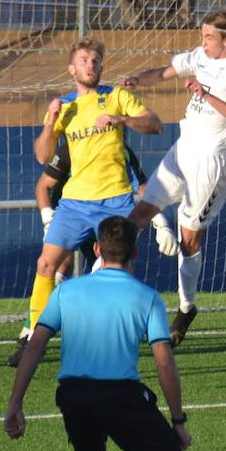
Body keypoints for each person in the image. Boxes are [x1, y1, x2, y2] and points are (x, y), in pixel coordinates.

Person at [21, 37, 163, 362]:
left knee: (117, 272)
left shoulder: (116, 96)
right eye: (84, 60)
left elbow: (155, 124)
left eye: (96, 60)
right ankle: (34, 335)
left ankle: (118, 336)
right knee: (46, 264)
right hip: (74, 203)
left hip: (115, 199)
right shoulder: (65, 107)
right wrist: (50, 122)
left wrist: (123, 120)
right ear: (72, 68)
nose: (91, 65)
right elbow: (44, 156)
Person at [124, 11, 226, 347]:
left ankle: (185, 308)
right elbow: (165, 71)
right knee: (137, 216)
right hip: (183, 149)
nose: (203, 43)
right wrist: (138, 80)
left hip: (213, 159)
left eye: (209, 38)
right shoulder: (200, 56)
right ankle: (108, 293)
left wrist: (206, 94)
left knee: (189, 239)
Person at [4, 216, 192, 451]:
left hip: (73, 397)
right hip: (120, 396)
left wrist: (15, 404)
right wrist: (178, 421)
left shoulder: (65, 291)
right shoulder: (148, 298)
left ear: (96, 249)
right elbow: (164, 363)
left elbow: (34, 347)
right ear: (134, 252)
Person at [6, 132, 148, 367]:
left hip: (105, 221)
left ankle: (101, 340)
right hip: (72, 215)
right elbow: (43, 185)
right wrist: (48, 218)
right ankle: (32, 335)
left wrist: (159, 219)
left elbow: (143, 187)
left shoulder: (119, 150)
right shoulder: (71, 149)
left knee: (108, 273)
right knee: (54, 264)